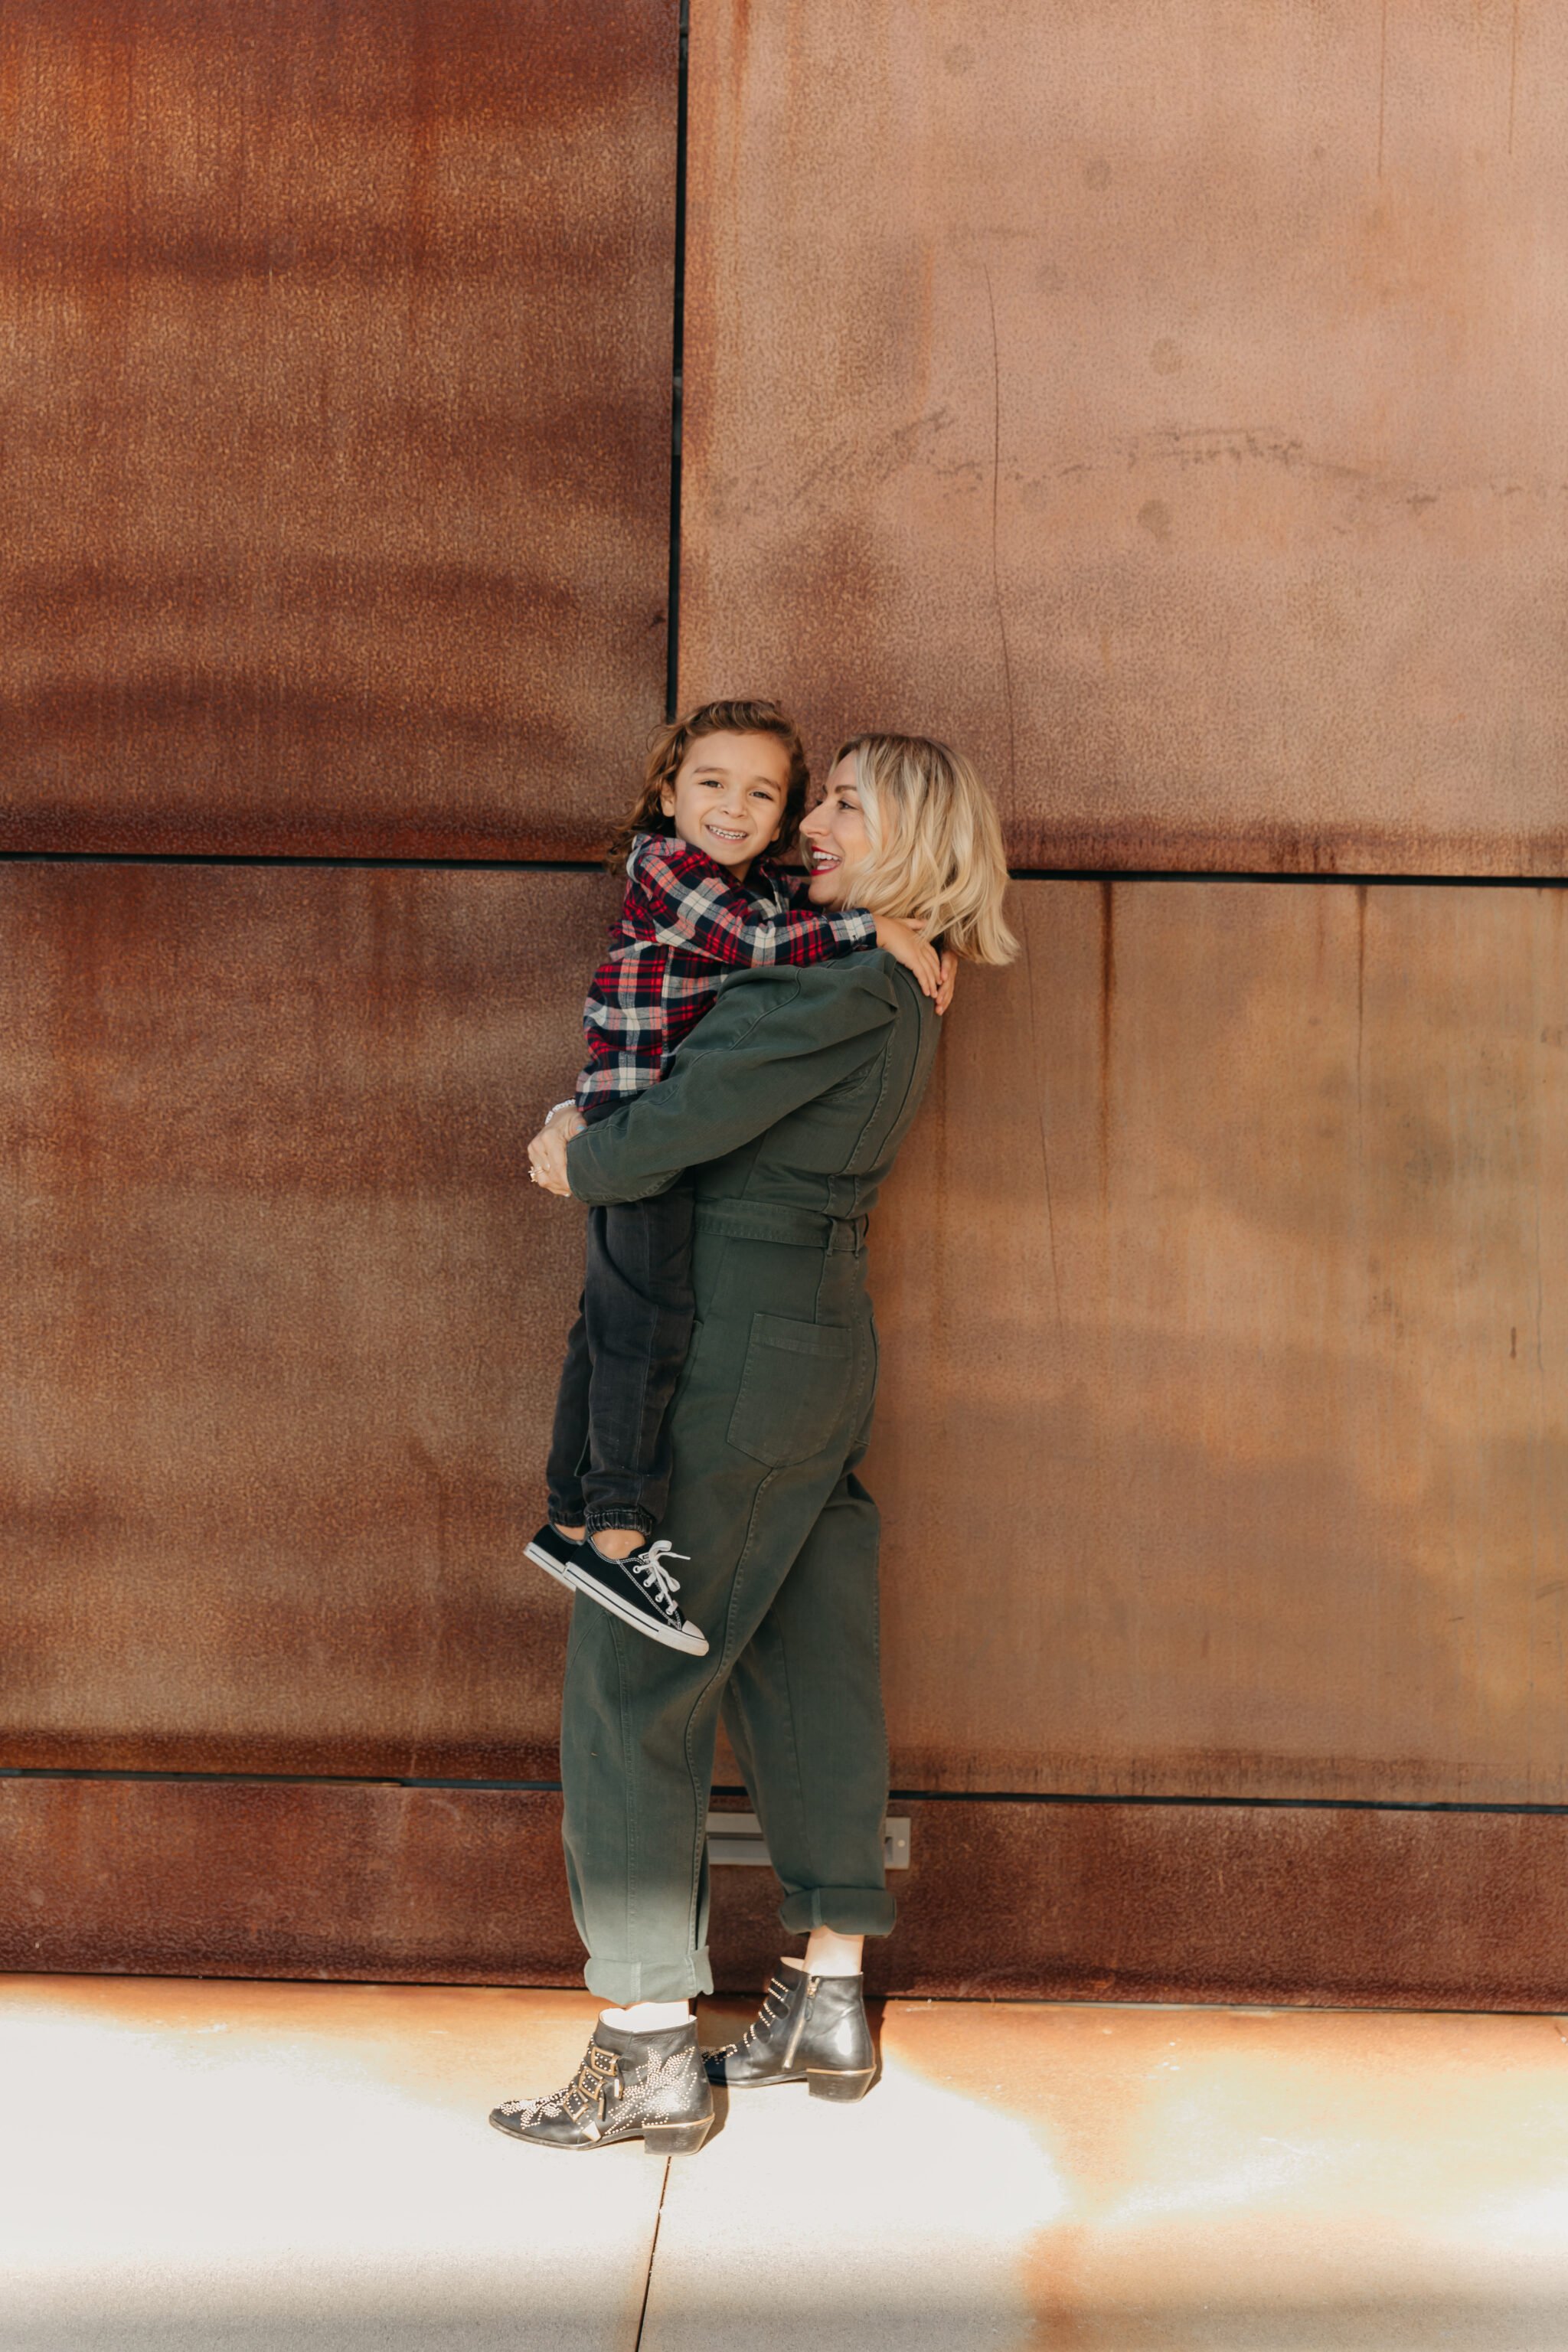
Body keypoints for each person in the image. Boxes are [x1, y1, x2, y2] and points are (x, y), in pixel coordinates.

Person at [490, 735, 1017, 2157]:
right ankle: (825, 1991)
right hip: (802, 1350)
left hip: (729, 1355)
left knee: (630, 1667)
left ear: (908, 836)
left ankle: (649, 2039)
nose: (811, 827)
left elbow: (666, 1131)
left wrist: (571, 1152)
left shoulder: (843, 986)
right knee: (805, 1648)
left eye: (844, 803)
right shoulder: (876, 967)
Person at [526, 700, 945, 1658]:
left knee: (610, 1321)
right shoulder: (672, 870)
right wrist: (877, 931)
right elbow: (767, 949)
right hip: (633, 1118)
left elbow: (795, 922)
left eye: (766, 793)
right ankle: (617, 1530)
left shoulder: (758, 894)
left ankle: (573, 1520)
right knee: (637, 1327)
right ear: (666, 792)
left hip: (635, 1120)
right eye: (710, 783)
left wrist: (903, 925)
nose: (740, 807)